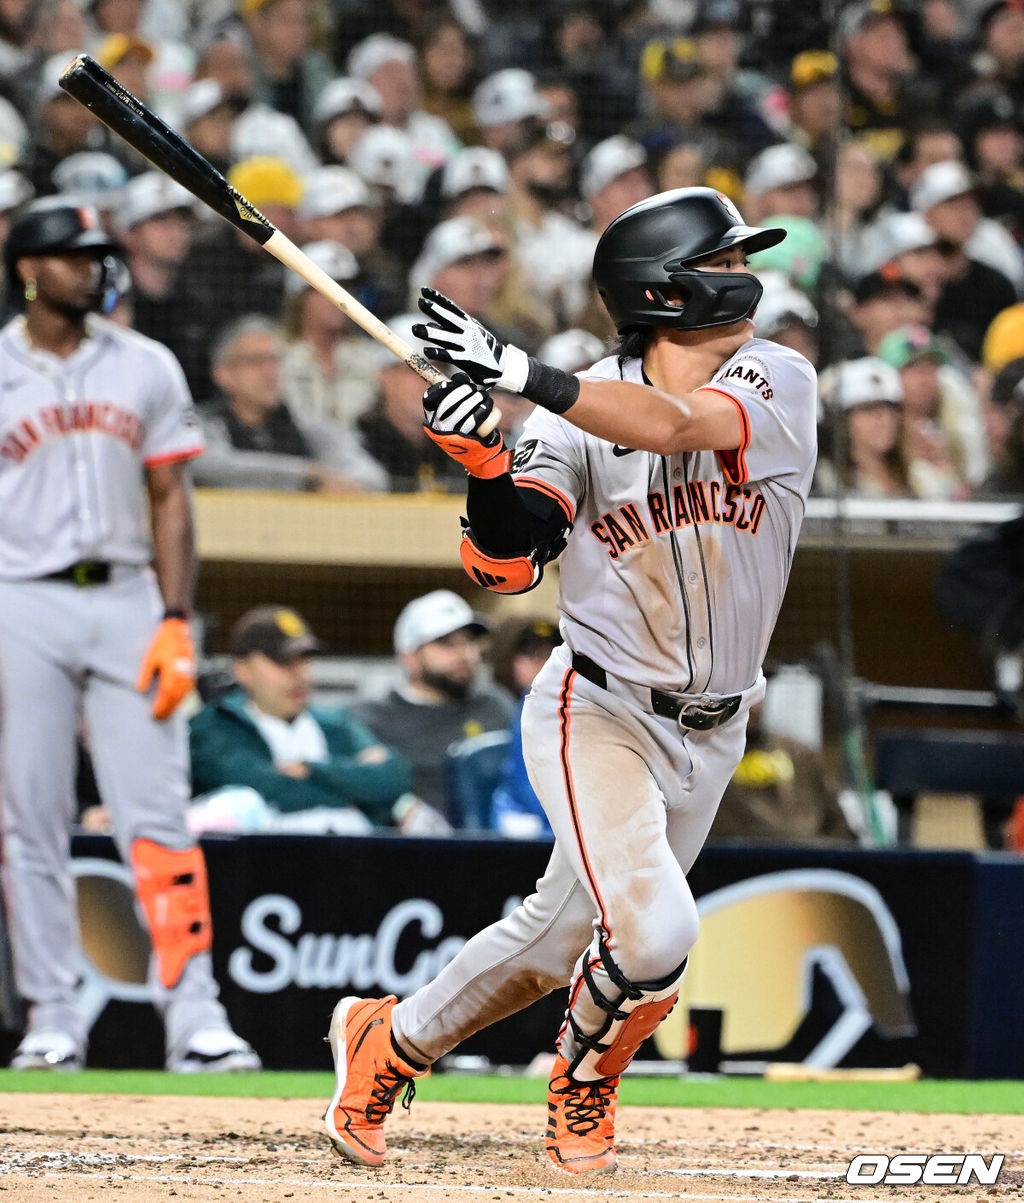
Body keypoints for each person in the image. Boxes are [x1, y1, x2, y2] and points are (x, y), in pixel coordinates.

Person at [321, 187, 817, 1174]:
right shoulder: (570, 415)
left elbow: (678, 425)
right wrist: (482, 467)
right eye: (720, 261)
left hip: (717, 726)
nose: (743, 274)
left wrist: (519, 373)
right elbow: (505, 564)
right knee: (657, 932)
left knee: (558, 941)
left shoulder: (778, 374)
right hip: (596, 710)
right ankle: (584, 1082)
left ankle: (391, 1039)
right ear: (665, 293)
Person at [0, 199, 260, 1073]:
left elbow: (170, 501)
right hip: (20, 598)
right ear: (29, 269)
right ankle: (52, 1016)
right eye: (75, 256)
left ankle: (194, 1016)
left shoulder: (145, 364)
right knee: (27, 817)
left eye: (100, 254)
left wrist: (177, 618)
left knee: (155, 816)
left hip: (125, 601)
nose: (95, 267)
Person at [188, 606, 411, 835]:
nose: (298, 674)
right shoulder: (215, 725)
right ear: (243, 669)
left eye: (304, 660)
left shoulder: (335, 723)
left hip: (350, 859)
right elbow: (260, 786)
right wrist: (358, 793)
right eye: (283, 662)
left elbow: (393, 779)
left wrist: (310, 770)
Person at [349, 590, 515, 813]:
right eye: (446, 643)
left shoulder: (496, 707)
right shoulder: (371, 720)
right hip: (403, 845)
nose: (465, 654)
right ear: (410, 657)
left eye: (469, 641)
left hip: (495, 843)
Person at [192, 315, 387, 493]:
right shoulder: (201, 424)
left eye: (275, 360)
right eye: (255, 361)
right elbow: (208, 467)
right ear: (223, 374)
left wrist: (344, 484)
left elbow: (373, 477)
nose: (270, 372)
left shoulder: (309, 428)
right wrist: (305, 477)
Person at [487, 616, 562, 840]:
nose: (545, 663)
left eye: (554, 654)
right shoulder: (505, 707)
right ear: (506, 659)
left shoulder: (574, 707)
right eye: (532, 655)